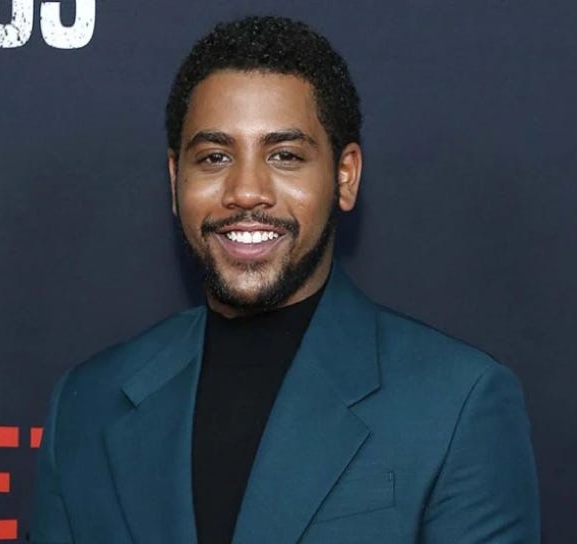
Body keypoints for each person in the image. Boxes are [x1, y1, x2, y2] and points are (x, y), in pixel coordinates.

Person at [29, 15, 540, 544]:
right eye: (215, 157)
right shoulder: (87, 404)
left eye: (285, 156)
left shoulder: (456, 403)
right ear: (176, 179)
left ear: (345, 176)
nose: (246, 191)